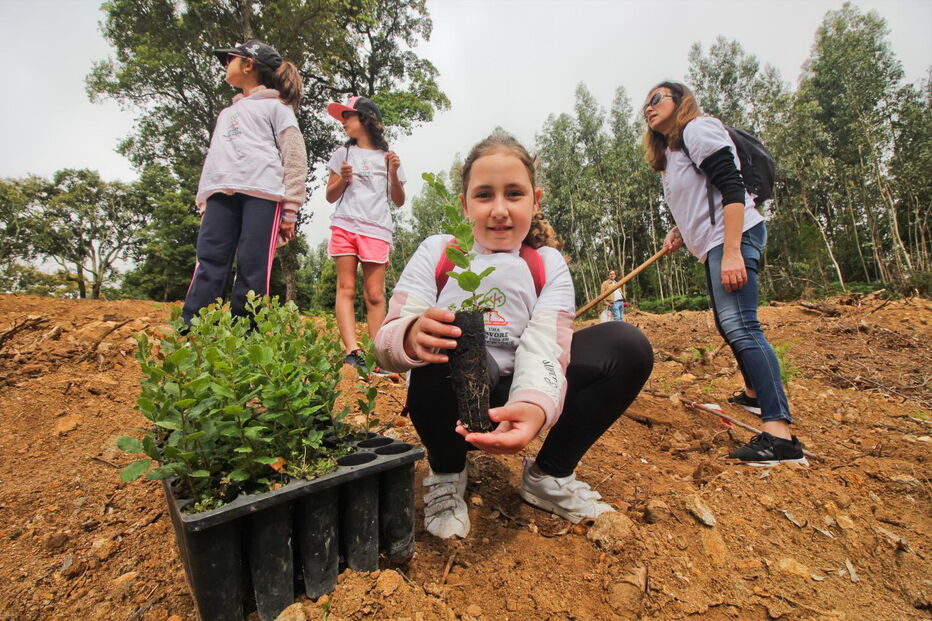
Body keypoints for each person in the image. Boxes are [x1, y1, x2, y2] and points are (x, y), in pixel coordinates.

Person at [374, 133, 653, 539]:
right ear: (464, 204)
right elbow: (385, 344)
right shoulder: (438, 252)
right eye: (484, 195)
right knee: (446, 340)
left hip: (519, 394)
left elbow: (545, 347)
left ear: (534, 201)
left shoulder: (546, 264)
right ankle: (447, 473)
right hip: (450, 403)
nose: (500, 210)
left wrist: (533, 408)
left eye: (514, 194)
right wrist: (410, 335)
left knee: (627, 346)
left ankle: (549, 476)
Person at [642, 81, 807, 466]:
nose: (648, 107)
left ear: (680, 101)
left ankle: (780, 437)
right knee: (728, 323)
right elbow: (704, 196)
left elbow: (732, 187)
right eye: (645, 103)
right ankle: (754, 394)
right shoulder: (674, 150)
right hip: (717, 243)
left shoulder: (696, 129)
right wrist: (680, 230)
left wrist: (732, 251)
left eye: (656, 99)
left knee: (743, 326)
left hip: (733, 238)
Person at [182, 40, 307, 324]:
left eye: (230, 59)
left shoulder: (277, 107)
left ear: (248, 64)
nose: (226, 65)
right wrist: (204, 198)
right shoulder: (226, 113)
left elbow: (295, 156)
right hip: (220, 195)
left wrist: (291, 208)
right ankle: (194, 330)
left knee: (253, 264)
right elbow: (214, 156)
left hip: (263, 195)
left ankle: (247, 334)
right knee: (209, 260)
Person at [325, 96, 405, 374]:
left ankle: (377, 357)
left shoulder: (388, 157)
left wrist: (394, 174)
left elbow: (399, 201)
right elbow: (330, 196)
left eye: (348, 115)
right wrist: (343, 179)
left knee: (374, 295)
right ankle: (352, 352)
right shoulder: (342, 154)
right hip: (345, 225)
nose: (343, 121)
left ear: (366, 119)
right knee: (346, 288)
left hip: (376, 229)